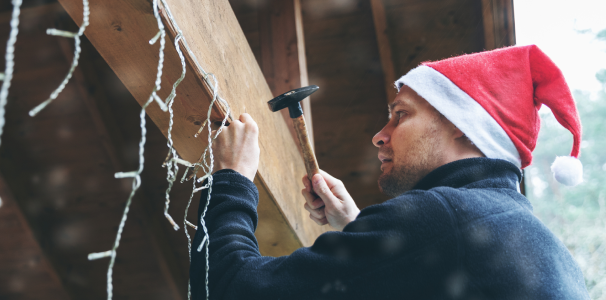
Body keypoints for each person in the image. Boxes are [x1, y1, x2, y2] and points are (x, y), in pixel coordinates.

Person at [189, 45, 590, 299]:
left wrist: (232, 178)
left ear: (463, 126)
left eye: (400, 116)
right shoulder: (534, 241)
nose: (380, 137)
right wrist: (359, 228)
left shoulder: (443, 219)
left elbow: (227, 289)